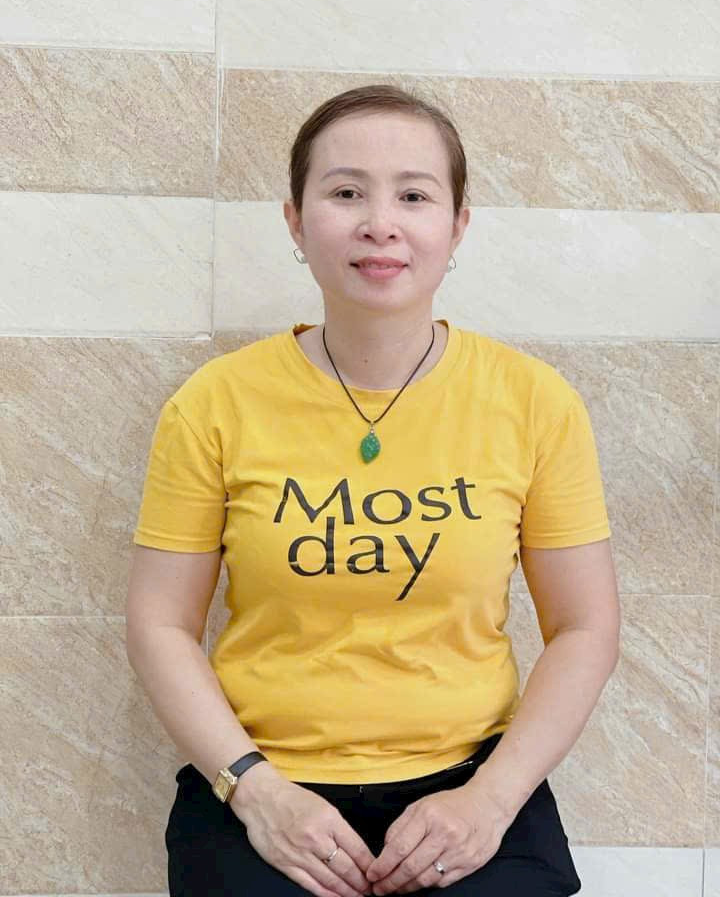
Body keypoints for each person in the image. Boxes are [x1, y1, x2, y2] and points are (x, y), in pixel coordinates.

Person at [126, 84, 620, 897]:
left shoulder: (535, 402)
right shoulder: (214, 404)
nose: (380, 223)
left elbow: (586, 626)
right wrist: (255, 790)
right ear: (295, 221)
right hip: (263, 785)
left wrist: (491, 800)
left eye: (414, 196)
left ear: (458, 225)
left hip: (473, 784)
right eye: (347, 192)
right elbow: (159, 623)